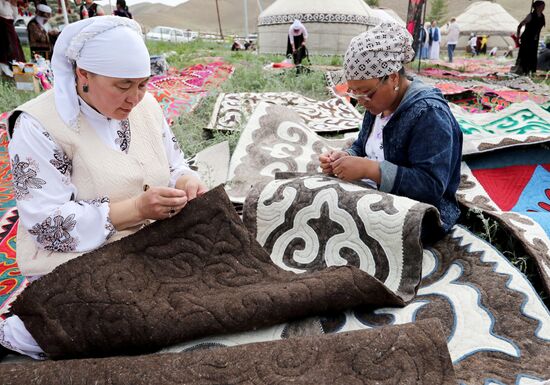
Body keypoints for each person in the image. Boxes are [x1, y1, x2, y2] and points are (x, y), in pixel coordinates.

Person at [1, 16, 207, 360]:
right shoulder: (38, 125)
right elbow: (46, 226)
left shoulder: (147, 106)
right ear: (83, 75)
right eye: (123, 85)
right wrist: (137, 210)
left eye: (143, 84)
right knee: (127, 315)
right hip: (74, 258)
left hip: (147, 244)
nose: (135, 98)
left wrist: (186, 182)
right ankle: (22, 334)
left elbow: (174, 165)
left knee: (207, 272)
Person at [319, 23, 462, 243]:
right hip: (375, 195)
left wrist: (370, 169)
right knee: (317, 202)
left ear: (393, 78)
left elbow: (431, 186)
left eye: (366, 93)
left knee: (344, 225)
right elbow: (363, 146)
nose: (361, 101)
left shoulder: (428, 114)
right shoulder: (377, 105)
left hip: (420, 212)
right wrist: (345, 156)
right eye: (354, 93)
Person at [515, 0, 546, 75]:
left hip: (535, 38)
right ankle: (522, 70)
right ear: (537, 7)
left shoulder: (542, 16)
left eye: (544, 6)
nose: (543, 8)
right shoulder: (530, 15)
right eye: (542, 6)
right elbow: (519, 26)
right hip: (527, 38)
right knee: (525, 54)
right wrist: (518, 37)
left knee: (532, 54)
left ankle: (530, 71)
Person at [0, 0, 25, 76]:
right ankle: (7, 72)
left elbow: (14, 16)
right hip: (2, 27)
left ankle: (17, 71)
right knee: (5, 50)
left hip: (10, 27)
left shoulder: (11, 3)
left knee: (15, 50)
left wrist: (14, 4)